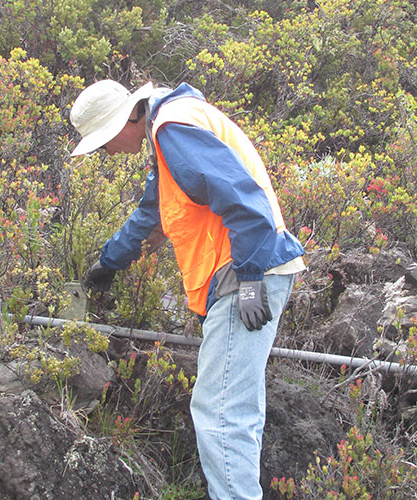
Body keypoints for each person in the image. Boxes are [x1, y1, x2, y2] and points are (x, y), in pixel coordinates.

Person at [69, 79, 306, 500]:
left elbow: (242, 198)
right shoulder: (170, 132)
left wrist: (250, 280)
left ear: (128, 118)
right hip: (246, 270)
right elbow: (152, 217)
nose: (105, 152)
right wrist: (107, 264)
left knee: (220, 412)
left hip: (245, 273)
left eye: (103, 141)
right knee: (234, 410)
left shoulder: (172, 129)